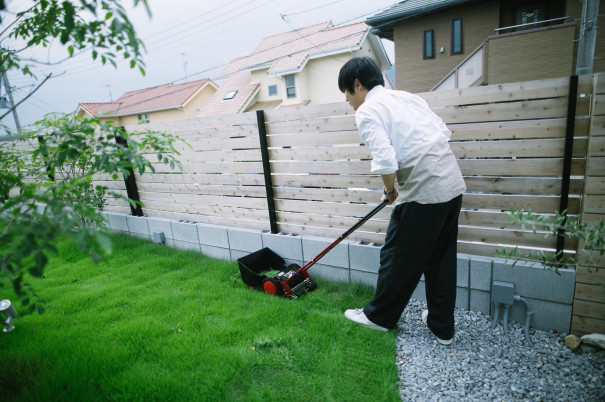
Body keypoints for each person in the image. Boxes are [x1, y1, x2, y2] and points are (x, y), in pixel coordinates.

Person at [338, 57, 466, 345]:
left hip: (425, 188)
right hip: (451, 181)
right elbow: (442, 132)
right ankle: (441, 326)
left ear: (357, 85)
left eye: (346, 92)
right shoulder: (406, 98)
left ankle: (379, 317)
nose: (346, 99)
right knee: (440, 258)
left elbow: (385, 161)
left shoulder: (368, 111)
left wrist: (389, 190)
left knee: (396, 255)